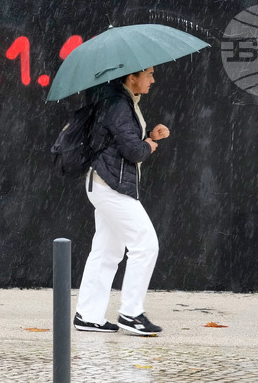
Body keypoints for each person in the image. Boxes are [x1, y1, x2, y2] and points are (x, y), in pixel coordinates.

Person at [73, 67, 170, 336]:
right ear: (131, 78)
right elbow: (132, 150)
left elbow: (122, 142)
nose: (153, 79)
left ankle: (88, 315)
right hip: (110, 185)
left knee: (107, 252)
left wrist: (149, 137)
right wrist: (149, 145)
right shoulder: (118, 103)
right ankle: (131, 314)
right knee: (145, 244)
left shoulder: (121, 100)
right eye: (149, 74)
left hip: (106, 182)